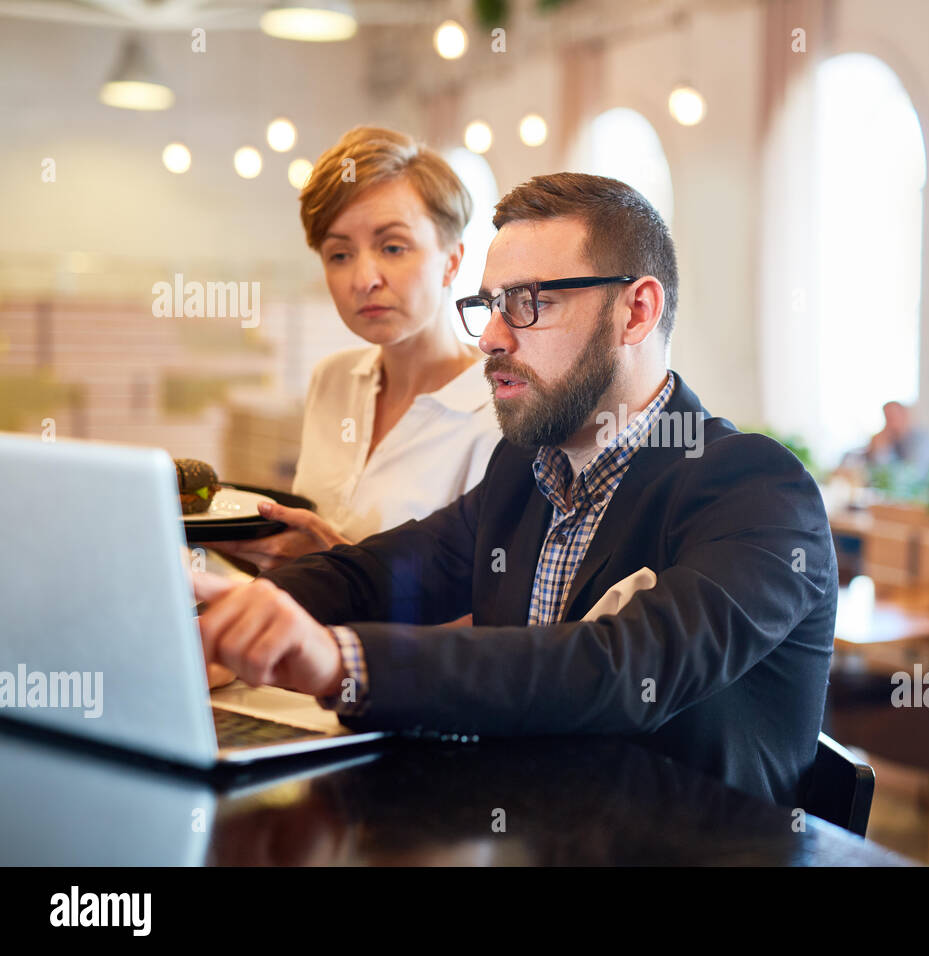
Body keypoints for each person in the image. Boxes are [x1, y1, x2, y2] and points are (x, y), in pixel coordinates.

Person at [192, 173, 837, 805]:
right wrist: (224, 616)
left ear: (636, 311)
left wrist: (343, 661)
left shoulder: (758, 489)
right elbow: (382, 573)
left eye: (532, 302)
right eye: (491, 306)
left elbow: (618, 667)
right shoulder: (524, 469)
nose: (494, 338)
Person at [215, 126, 500, 574]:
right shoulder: (332, 379)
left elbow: (492, 615)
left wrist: (330, 570)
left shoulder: (498, 410)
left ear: (452, 261)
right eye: (339, 254)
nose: (363, 279)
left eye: (392, 247)